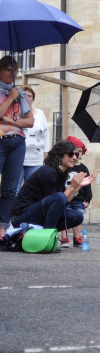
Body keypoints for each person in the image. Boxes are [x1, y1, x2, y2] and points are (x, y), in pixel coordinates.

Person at [10, 140, 95, 231]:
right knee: (60, 197)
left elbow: (63, 202)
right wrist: (71, 187)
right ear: (60, 155)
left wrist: (78, 186)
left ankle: (47, 232)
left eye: (77, 154)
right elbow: (57, 201)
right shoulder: (48, 172)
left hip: (39, 212)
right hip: (21, 217)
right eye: (71, 154)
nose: (74, 157)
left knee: (77, 216)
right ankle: (47, 235)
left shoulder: (61, 173)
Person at [0, 55, 34, 240]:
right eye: (8, 70)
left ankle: (3, 229)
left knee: (10, 189)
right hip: (1, 140)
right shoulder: (11, 93)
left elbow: (30, 122)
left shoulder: (20, 93)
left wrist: (11, 121)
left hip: (17, 142)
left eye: (15, 70)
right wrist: (10, 98)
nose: (12, 74)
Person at [60, 136, 92, 248]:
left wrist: (88, 198)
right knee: (64, 217)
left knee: (77, 218)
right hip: (66, 196)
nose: (76, 155)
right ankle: (64, 237)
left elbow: (87, 184)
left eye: (79, 152)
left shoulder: (83, 168)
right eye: (73, 152)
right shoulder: (65, 167)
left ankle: (77, 237)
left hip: (79, 199)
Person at [21, 86, 49, 187]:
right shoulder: (16, 112)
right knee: (15, 189)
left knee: (33, 189)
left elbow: (46, 135)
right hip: (18, 158)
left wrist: (46, 156)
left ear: (33, 99)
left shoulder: (40, 113)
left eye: (30, 96)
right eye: (25, 95)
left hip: (36, 159)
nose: (27, 98)